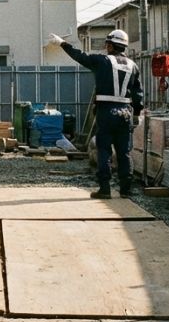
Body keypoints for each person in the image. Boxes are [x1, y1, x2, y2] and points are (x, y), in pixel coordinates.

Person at [48, 29, 144, 199]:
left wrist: (62, 43)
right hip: (125, 113)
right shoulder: (133, 66)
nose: (106, 47)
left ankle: (105, 189)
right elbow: (138, 94)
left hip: (106, 112)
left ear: (111, 45)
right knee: (124, 153)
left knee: (104, 150)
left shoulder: (102, 61)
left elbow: (80, 56)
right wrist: (136, 114)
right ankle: (126, 190)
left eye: (107, 44)